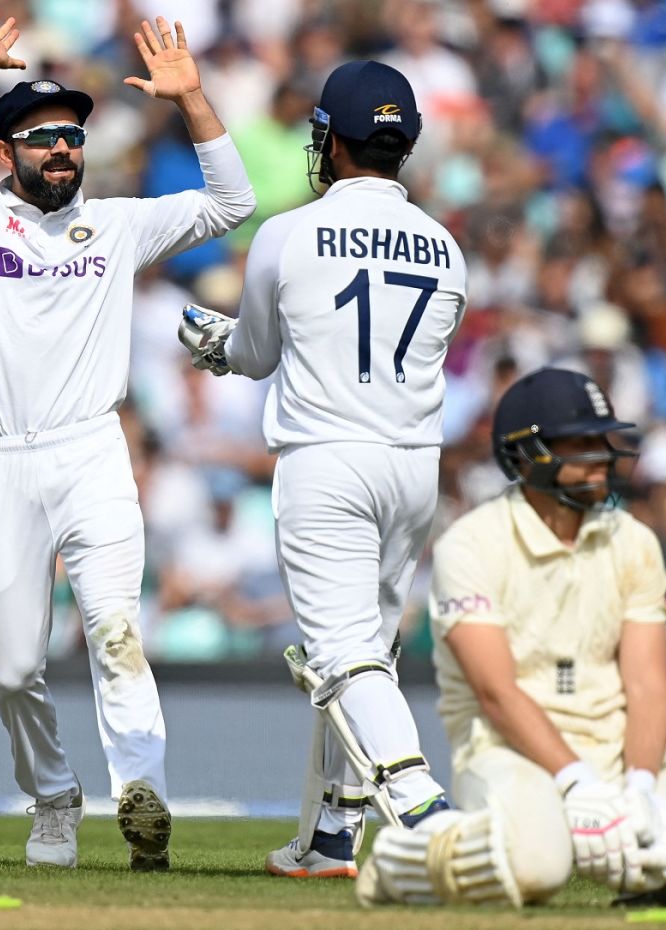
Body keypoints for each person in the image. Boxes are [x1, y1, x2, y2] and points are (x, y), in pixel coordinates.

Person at [0, 11, 255, 870]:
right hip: (2, 460)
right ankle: (54, 798)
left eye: (72, 137)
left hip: (93, 452)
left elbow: (232, 202)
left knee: (115, 630)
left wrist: (192, 97)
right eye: (42, 137)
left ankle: (144, 797)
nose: (62, 149)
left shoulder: (118, 225)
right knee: (16, 670)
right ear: (6, 151)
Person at [360, 367, 666, 907]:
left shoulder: (633, 542)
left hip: (622, 758)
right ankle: (409, 857)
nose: (600, 457)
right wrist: (576, 783)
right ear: (525, 454)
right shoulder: (470, 545)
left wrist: (639, 789)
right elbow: (496, 692)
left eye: (602, 440)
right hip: (507, 755)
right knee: (536, 866)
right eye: (581, 443)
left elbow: (647, 685)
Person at [179, 61, 467, 878]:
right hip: (414, 467)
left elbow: (258, 352)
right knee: (365, 654)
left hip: (327, 459)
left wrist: (215, 347)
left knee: (341, 653)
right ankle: (329, 837)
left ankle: (422, 809)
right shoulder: (446, 248)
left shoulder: (288, 232)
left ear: (331, 141)